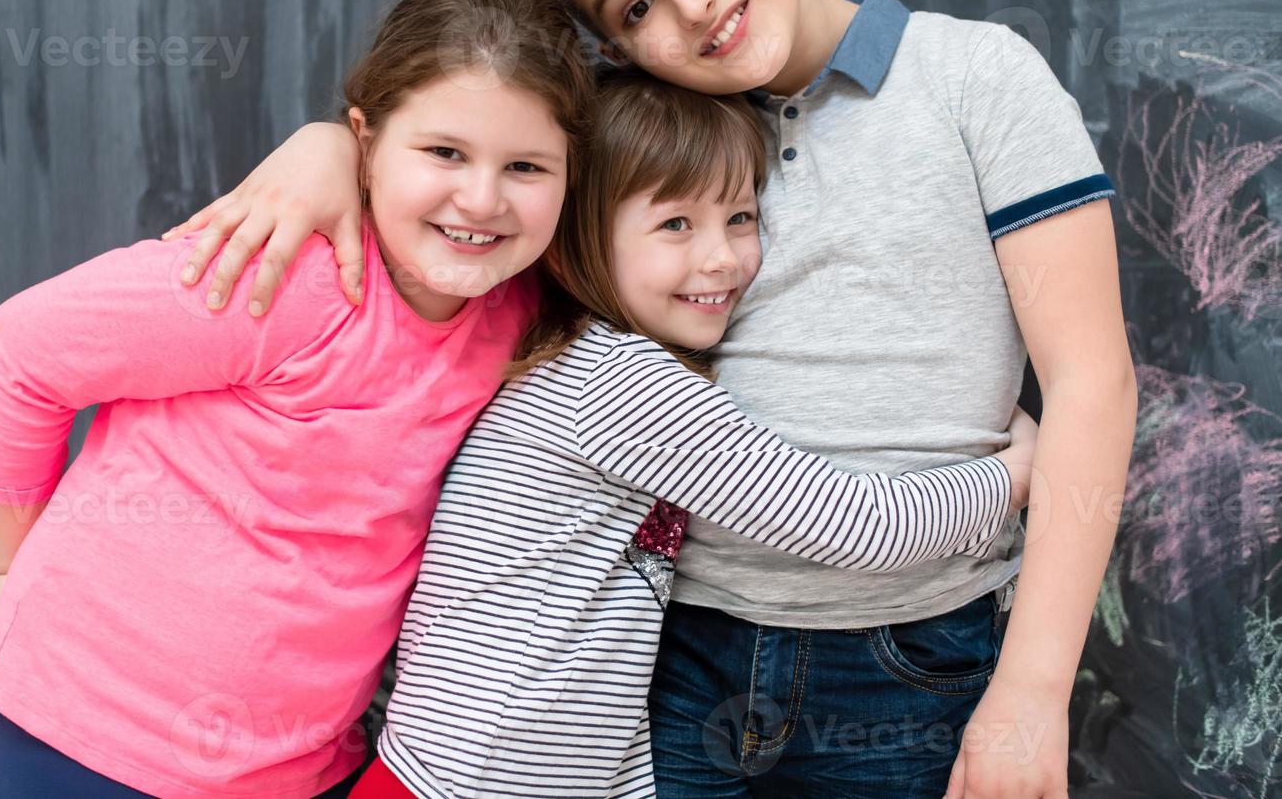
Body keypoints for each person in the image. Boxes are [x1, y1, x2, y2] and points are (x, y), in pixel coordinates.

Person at [0, 0, 592, 798]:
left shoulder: (521, 314)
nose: (480, 199)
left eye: (526, 168)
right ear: (367, 142)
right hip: (89, 726)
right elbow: (19, 353)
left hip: (295, 761)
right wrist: (8, 571)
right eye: (443, 151)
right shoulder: (281, 273)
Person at [345, 67, 1040, 798]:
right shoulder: (619, 384)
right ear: (577, 237)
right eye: (675, 223)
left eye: (740, 217)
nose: (721, 258)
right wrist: (1019, 469)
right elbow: (862, 528)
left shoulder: (570, 353)